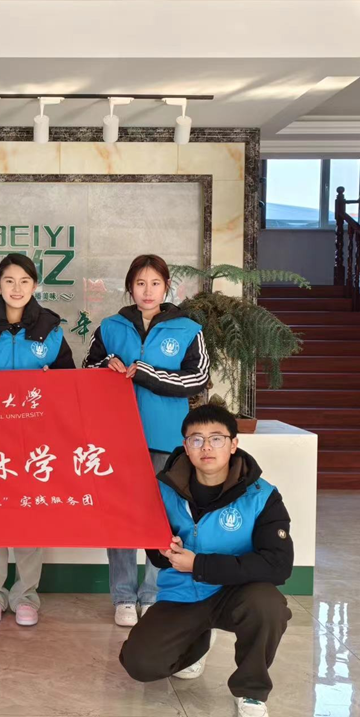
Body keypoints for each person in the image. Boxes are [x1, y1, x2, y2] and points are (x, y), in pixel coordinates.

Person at [118, 404, 293, 717]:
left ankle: (251, 691)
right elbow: (155, 553)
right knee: (140, 664)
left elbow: (278, 565)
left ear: (233, 444)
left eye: (216, 438)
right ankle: (197, 643)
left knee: (268, 605)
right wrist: (164, 550)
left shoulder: (261, 495)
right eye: (196, 439)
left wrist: (199, 565)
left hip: (238, 592)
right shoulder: (163, 490)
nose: (206, 447)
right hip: (183, 594)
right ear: (186, 446)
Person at [84, 254, 210, 627]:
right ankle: (124, 596)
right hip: (117, 438)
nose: (148, 291)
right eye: (140, 283)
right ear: (130, 288)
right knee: (120, 517)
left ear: (166, 287)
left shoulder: (188, 329)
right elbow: (87, 370)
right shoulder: (110, 327)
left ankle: (155, 593)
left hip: (166, 441)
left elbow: (197, 379)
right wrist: (107, 367)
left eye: (155, 283)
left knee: (163, 519)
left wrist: (149, 374)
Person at [0, 253, 75, 626]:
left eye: (25, 281)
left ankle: (26, 596)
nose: (17, 288)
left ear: (35, 286)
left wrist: (52, 381)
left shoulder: (51, 330)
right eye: (9, 281)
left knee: (29, 516)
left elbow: (69, 385)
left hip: (34, 443)